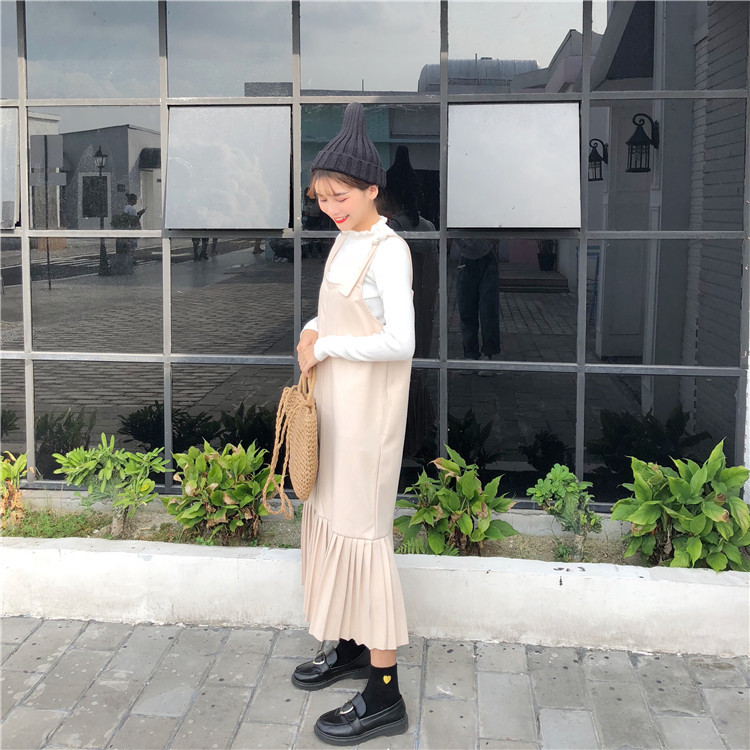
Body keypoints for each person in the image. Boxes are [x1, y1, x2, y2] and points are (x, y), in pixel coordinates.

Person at [294, 103, 415, 745]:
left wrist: (330, 346)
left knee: (364, 537)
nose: (331, 208)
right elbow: (336, 312)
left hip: (369, 420)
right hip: (337, 409)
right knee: (333, 520)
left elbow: (401, 341)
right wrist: (311, 329)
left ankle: (384, 693)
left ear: (372, 189)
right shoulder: (347, 238)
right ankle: (350, 647)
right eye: (322, 198)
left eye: (340, 197)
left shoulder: (391, 251)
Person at [452, 237, 501, 360]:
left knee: (488, 309)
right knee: (466, 309)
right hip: (467, 258)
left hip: (484, 256)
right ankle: (471, 354)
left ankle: (487, 353)